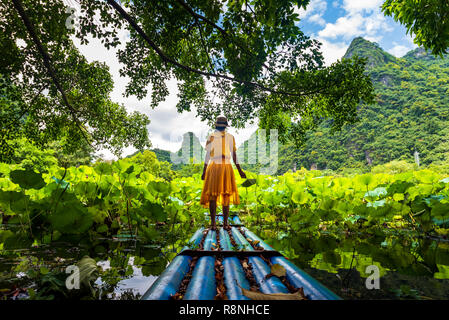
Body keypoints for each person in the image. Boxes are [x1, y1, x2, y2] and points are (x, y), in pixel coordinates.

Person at [200, 116, 246, 230]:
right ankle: (213, 224)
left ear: (225, 126)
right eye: (219, 125)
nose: (221, 127)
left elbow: (234, 155)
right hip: (214, 166)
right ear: (217, 125)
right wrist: (204, 171)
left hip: (226, 167)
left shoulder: (230, 137)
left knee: (226, 194)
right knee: (212, 196)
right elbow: (207, 155)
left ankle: (225, 223)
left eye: (222, 125)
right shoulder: (211, 137)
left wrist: (240, 170)